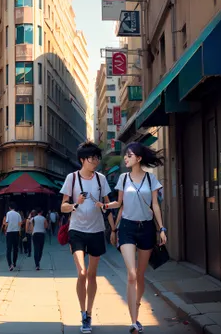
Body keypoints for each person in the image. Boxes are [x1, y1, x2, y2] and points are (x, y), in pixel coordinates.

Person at [100, 142, 166, 333]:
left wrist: (161, 228)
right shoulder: (123, 178)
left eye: (129, 155)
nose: (126, 158)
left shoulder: (151, 179)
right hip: (127, 227)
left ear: (138, 158)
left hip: (146, 228)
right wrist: (104, 206)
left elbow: (155, 205)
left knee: (141, 274)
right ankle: (134, 321)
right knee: (131, 274)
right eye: (125, 155)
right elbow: (119, 203)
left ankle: (136, 302)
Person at [60, 140, 116, 334]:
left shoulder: (101, 179)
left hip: (97, 231)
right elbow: (63, 206)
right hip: (77, 231)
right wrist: (76, 203)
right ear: (83, 160)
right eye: (92, 158)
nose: (96, 161)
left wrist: (114, 230)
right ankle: (83, 313)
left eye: (97, 158)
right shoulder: (72, 178)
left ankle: (89, 313)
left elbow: (108, 206)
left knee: (92, 275)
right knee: (82, 273)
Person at [2, 202, 22, 271]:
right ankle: (14, 262)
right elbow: (20, 223)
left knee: (9, 249)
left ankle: (10, 264)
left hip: (9, 232)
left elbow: (7, 223)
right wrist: (19, 231)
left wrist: (5, 230)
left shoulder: (8, 213)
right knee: (15, 248)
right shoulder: (18, 214)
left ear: (9, 207)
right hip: (16, 232)